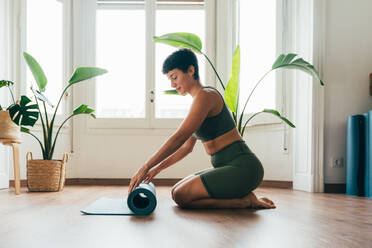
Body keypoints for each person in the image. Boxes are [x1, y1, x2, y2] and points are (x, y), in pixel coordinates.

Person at [128, 48, 276, 209]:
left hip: (243, 168)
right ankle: (243, 196)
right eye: (170, 79)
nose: (172, 84)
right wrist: (155, 171)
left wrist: (145, 167)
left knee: (181, 195)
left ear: (191, 70)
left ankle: (244, 201)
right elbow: (186, 148)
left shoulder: (206, 96)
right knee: (176, 191)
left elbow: (179, 137)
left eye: (174, 77)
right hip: (226, 167)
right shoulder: (198, 101)